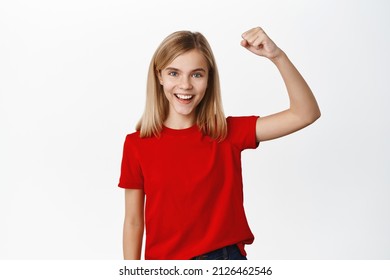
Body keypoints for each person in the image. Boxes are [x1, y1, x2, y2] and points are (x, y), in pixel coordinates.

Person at [118, 26, 321, 260]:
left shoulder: (227, 133)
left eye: (197, 74)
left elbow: (305, 113)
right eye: (174, 73)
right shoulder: (137, 144)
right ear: (159, 75)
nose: (185, 85)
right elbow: (133, 222)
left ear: (208, 79)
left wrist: (277, 56)